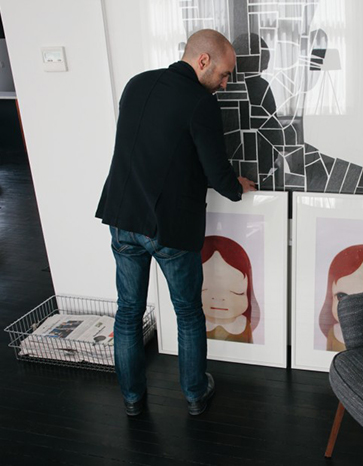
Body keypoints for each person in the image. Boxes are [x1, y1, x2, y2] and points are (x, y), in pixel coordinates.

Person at [95, 29, 256, 417]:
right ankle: (195, 395)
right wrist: (239, 187)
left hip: (123, 214)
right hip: (169, 227)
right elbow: (218, 174)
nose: (225, 83)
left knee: (128, 312)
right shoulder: (201, 104)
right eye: (223, 74)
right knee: (187, 313)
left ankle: (132, 400)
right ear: (203, 61)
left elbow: (152, 147)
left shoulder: (137, 84)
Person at [201, 235, 260, 344]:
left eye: (237, 292)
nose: (219, 298)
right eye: (203, 290)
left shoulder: (243, 324)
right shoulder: (196, 322)